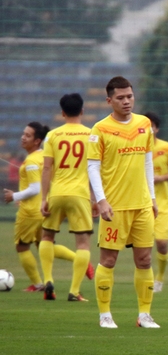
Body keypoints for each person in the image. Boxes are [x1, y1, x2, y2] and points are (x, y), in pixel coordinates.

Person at [88, 76, 159, 329]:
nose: (126, 101)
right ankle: (105, 315)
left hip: (141, 205)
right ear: (110, 101)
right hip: (115, 207)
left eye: (129, 96)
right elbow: (93, 167)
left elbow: (148, 161)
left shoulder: (144, 124)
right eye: (120, 97)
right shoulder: (100, 129)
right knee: (108, 261)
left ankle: (144, 315)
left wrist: (151, 197)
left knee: (145, 261)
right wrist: (101, 200)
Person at [3, 122, 80, 292]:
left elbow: (34, 188)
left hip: (30, 212)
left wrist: (14, 196)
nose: (23, 137)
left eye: (28, 135)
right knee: (45, 245)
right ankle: (80, 260)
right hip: (45, 209)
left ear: (37, 141)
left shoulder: (31, 161)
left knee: (22, 247)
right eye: (23, 133)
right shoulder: (44, 156)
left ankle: (38, 284)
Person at [40, 93, 96, 302]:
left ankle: (48, 281)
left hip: (57, 193)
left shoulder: (52, 136)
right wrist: (95, 197)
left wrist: (44, 198)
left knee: (46, 237)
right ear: (82, 111)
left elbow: (46, 168)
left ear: (62, 112)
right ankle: (74, 291)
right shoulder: (91, 134)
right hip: (79, 195)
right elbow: (94, 169)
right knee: (82, 244)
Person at [143, 112, 168, 293]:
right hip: (141, 202)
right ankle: (146, 280)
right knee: (143, 246)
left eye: (152, 125)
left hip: (162, 203)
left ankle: (160, 277)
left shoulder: (167, 148)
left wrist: (161, 178)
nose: (148, 129)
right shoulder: (135, 148)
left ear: (157, 128)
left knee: (162, 243)